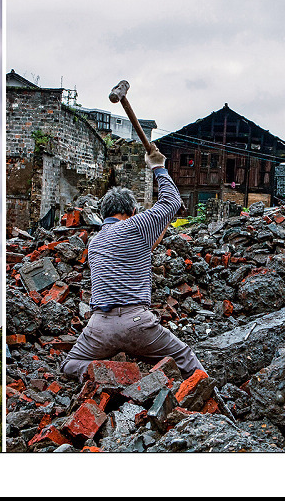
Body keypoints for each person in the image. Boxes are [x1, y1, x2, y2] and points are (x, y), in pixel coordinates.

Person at [61, 149, 205, 379]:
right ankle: (214, 399)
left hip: (100, 328)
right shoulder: (134, 226)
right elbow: (171, 200)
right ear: (133, 212)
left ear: (103, 213)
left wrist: (165, 220)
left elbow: (146, 246)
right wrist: (157, 165)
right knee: (185, 357)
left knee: (69, 363)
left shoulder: (95, 243)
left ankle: (102, 372)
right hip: (137, 324)